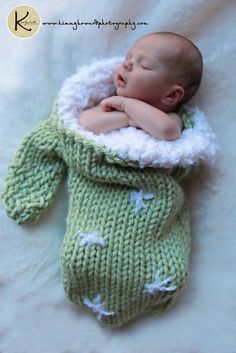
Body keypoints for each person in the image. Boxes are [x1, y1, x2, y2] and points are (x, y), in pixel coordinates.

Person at [79, 31, 203, 140]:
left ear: (171, 95)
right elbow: (84, 123)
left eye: (144, 65)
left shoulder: (170, 118)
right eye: (128, 58)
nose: (127, 64)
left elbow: (168, 131)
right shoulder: (111, 103)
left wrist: (126, 105)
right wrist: (127, 118)